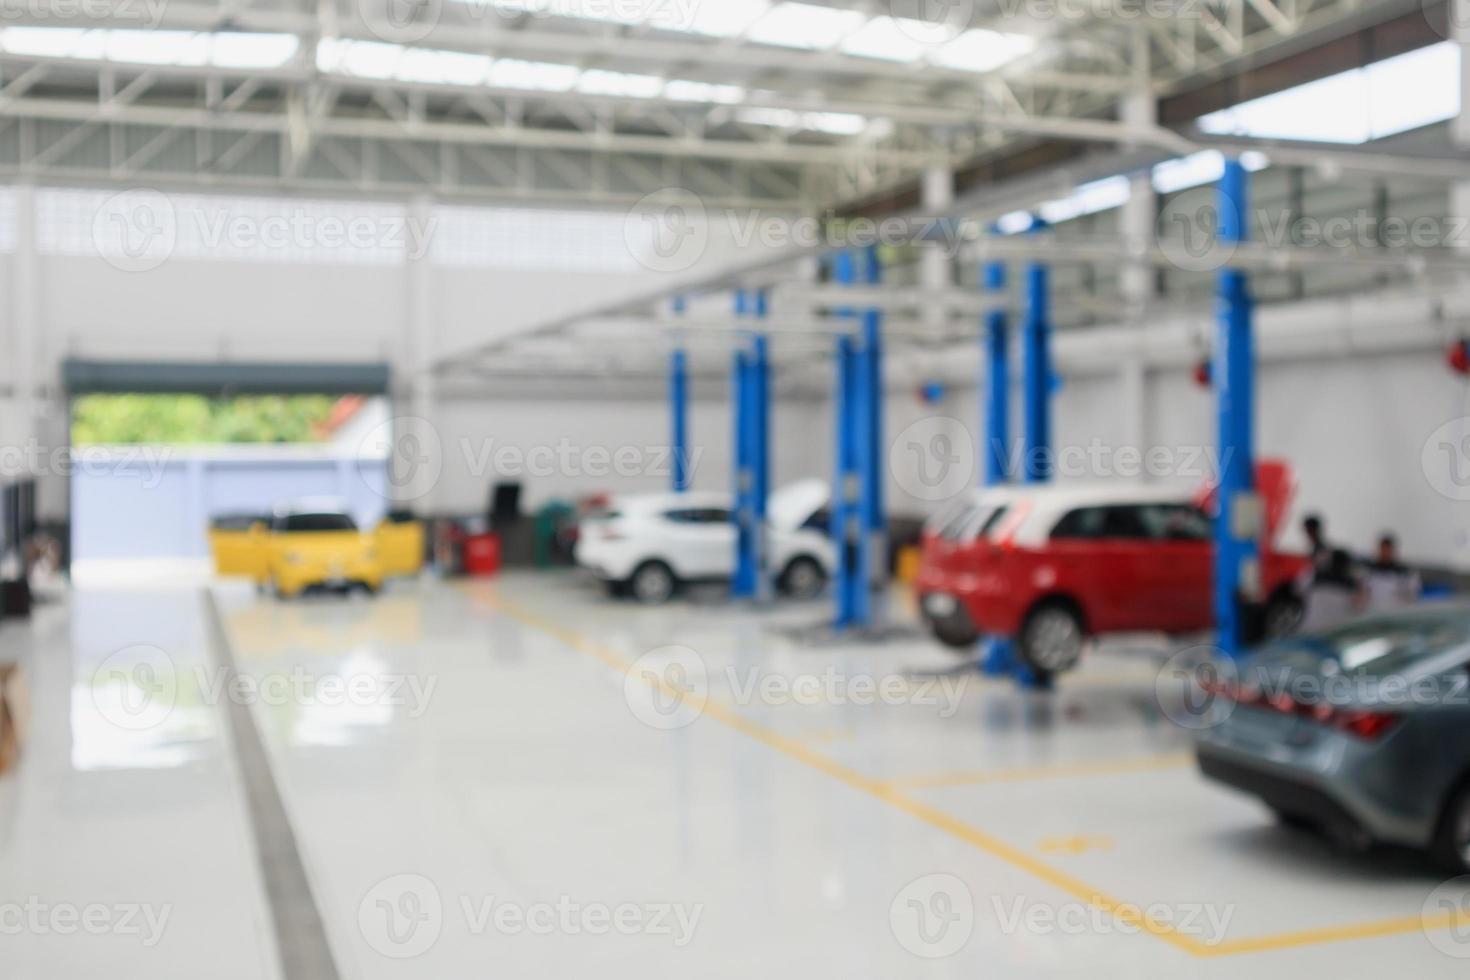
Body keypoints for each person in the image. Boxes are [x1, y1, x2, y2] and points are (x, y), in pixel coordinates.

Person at [1365, 534, 1421, 611]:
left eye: (1387, 550)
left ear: (1393, 551)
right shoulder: (1369, 572)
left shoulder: (1405, 574)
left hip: (1394, 614)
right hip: (1373, 614)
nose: (1384, 553)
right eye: (1382, 549)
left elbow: (1412, 597)